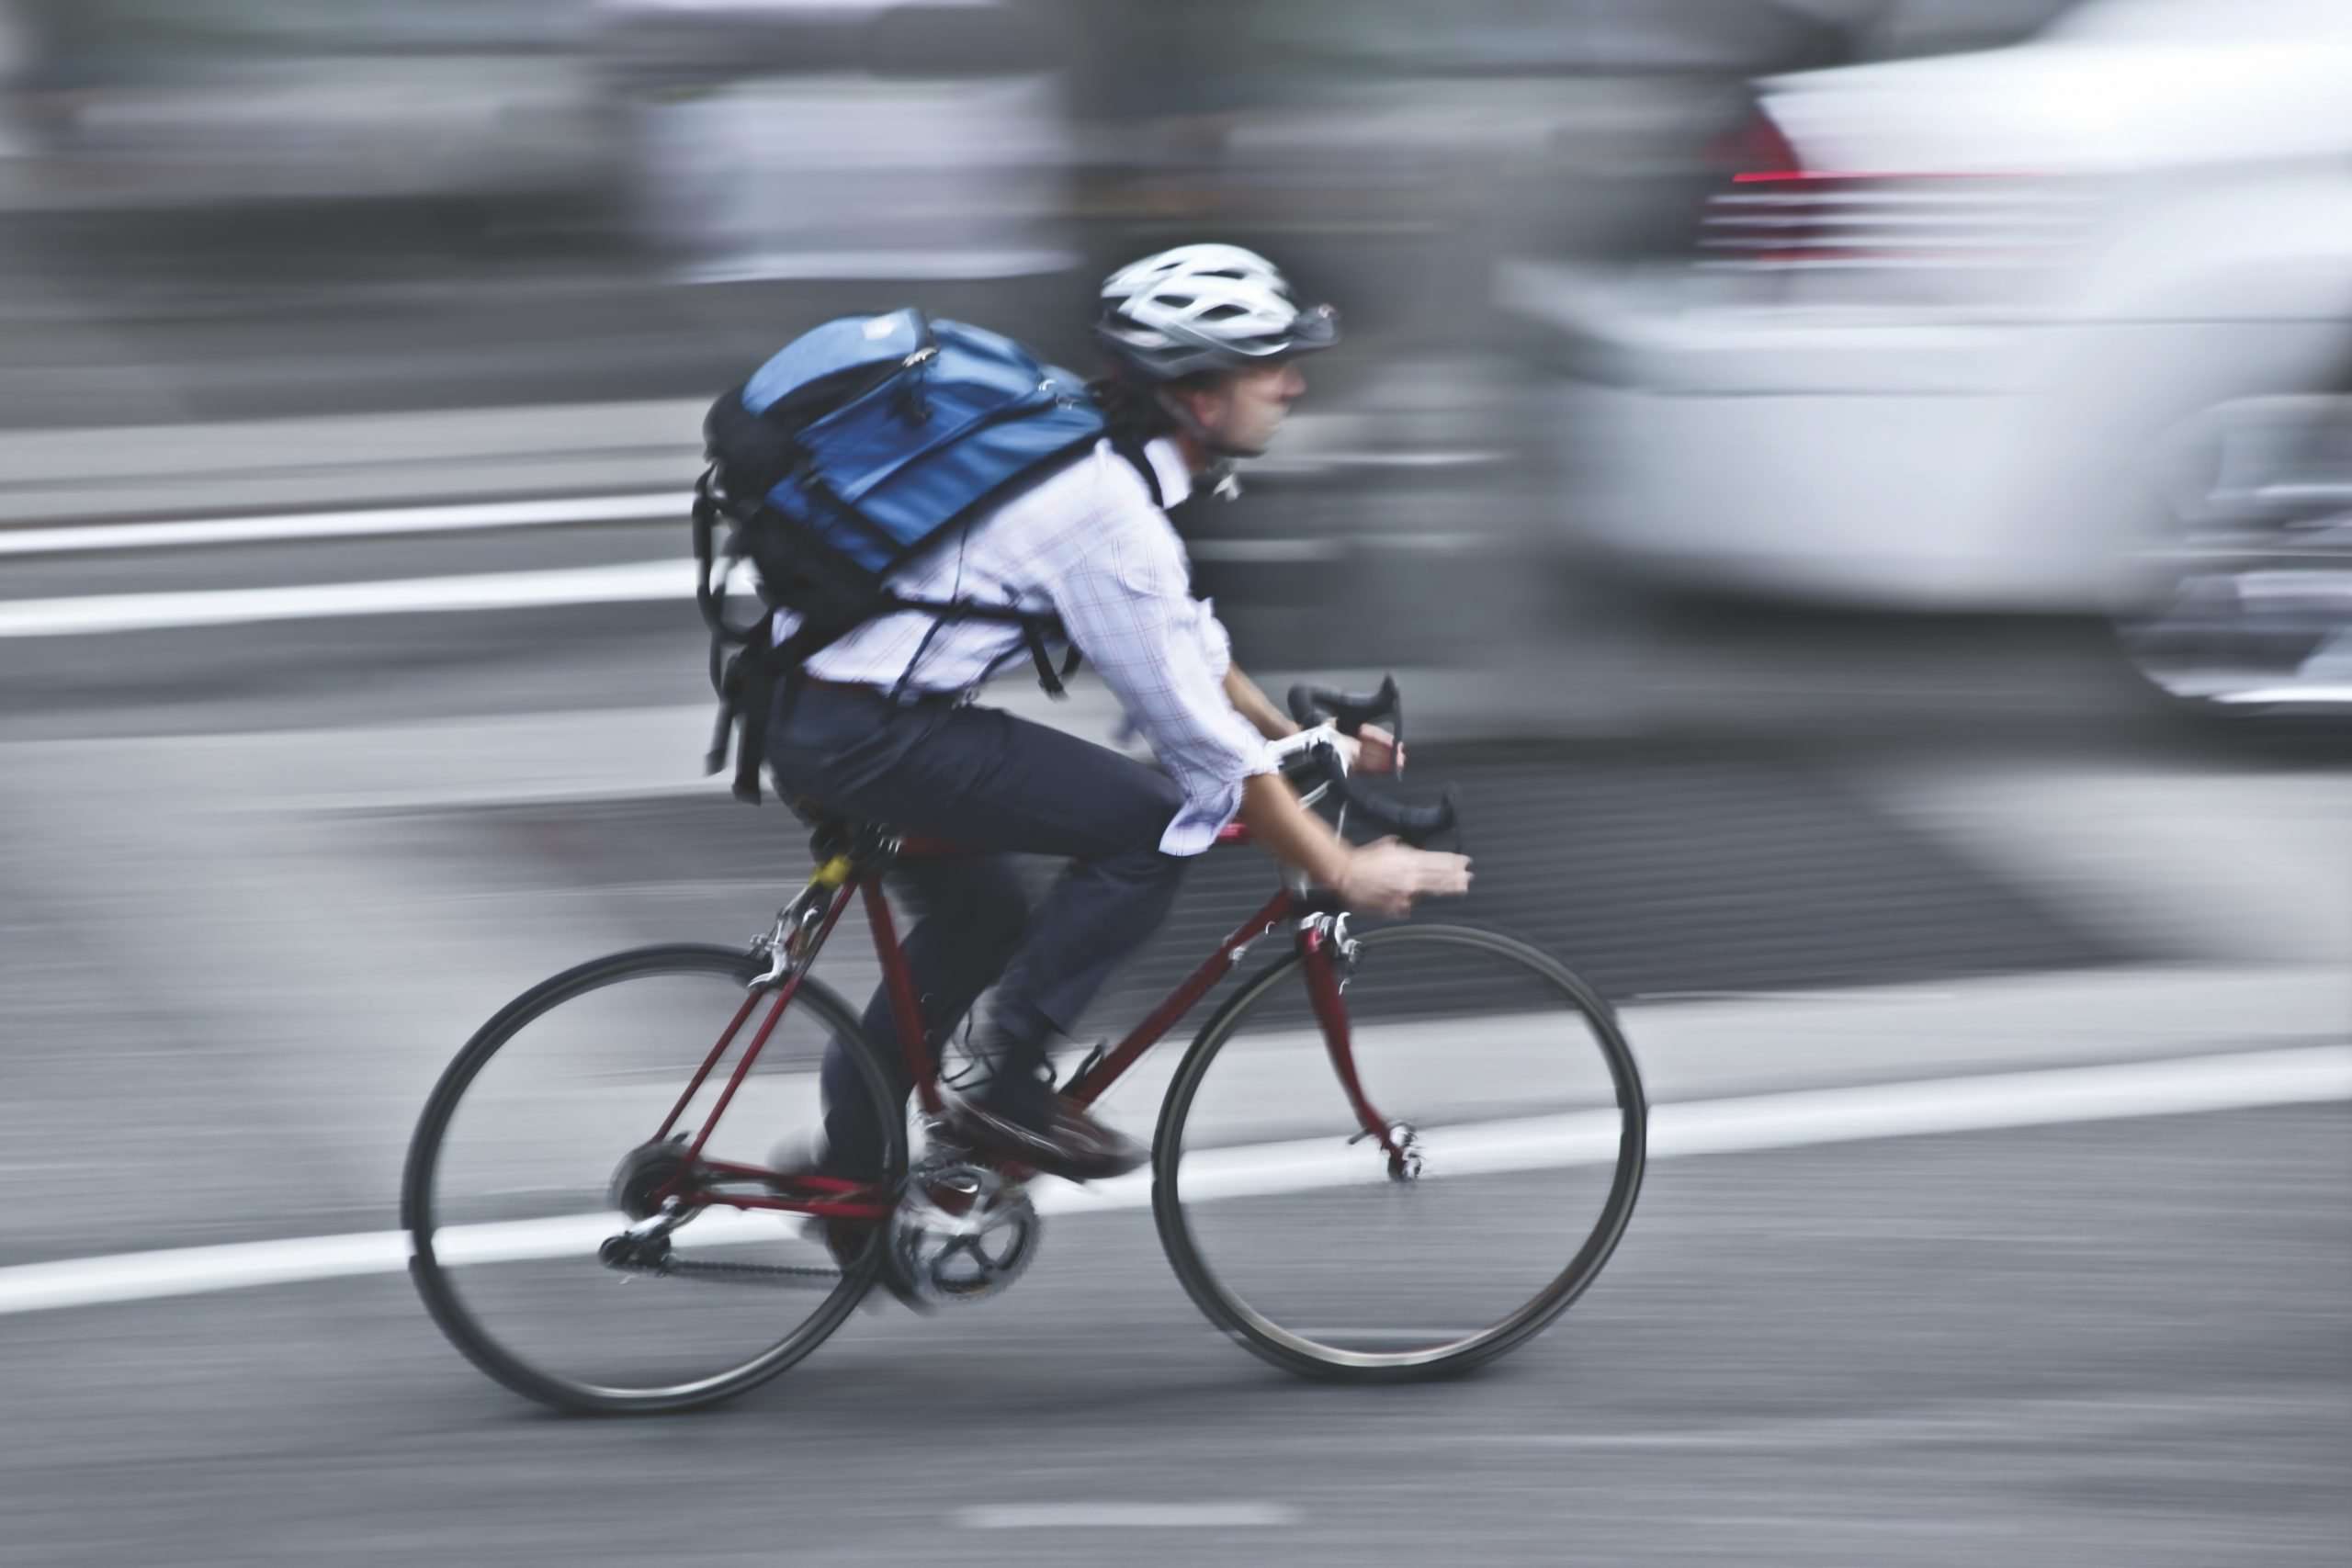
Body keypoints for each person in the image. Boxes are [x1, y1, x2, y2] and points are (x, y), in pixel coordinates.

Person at [765, 243, 1473, 1191]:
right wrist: (1339, 867)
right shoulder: (1107, 515)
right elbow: (1195, 750)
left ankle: (850, 1181)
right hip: (871, 734)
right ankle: (1008, 1089)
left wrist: (1289, 735)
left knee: (981, 918)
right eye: (1271, 364)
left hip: (828, 712)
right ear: (1196, 391)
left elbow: (1179, 641)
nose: (1295, 386)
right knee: (1146, 824)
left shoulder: (1095, 455)